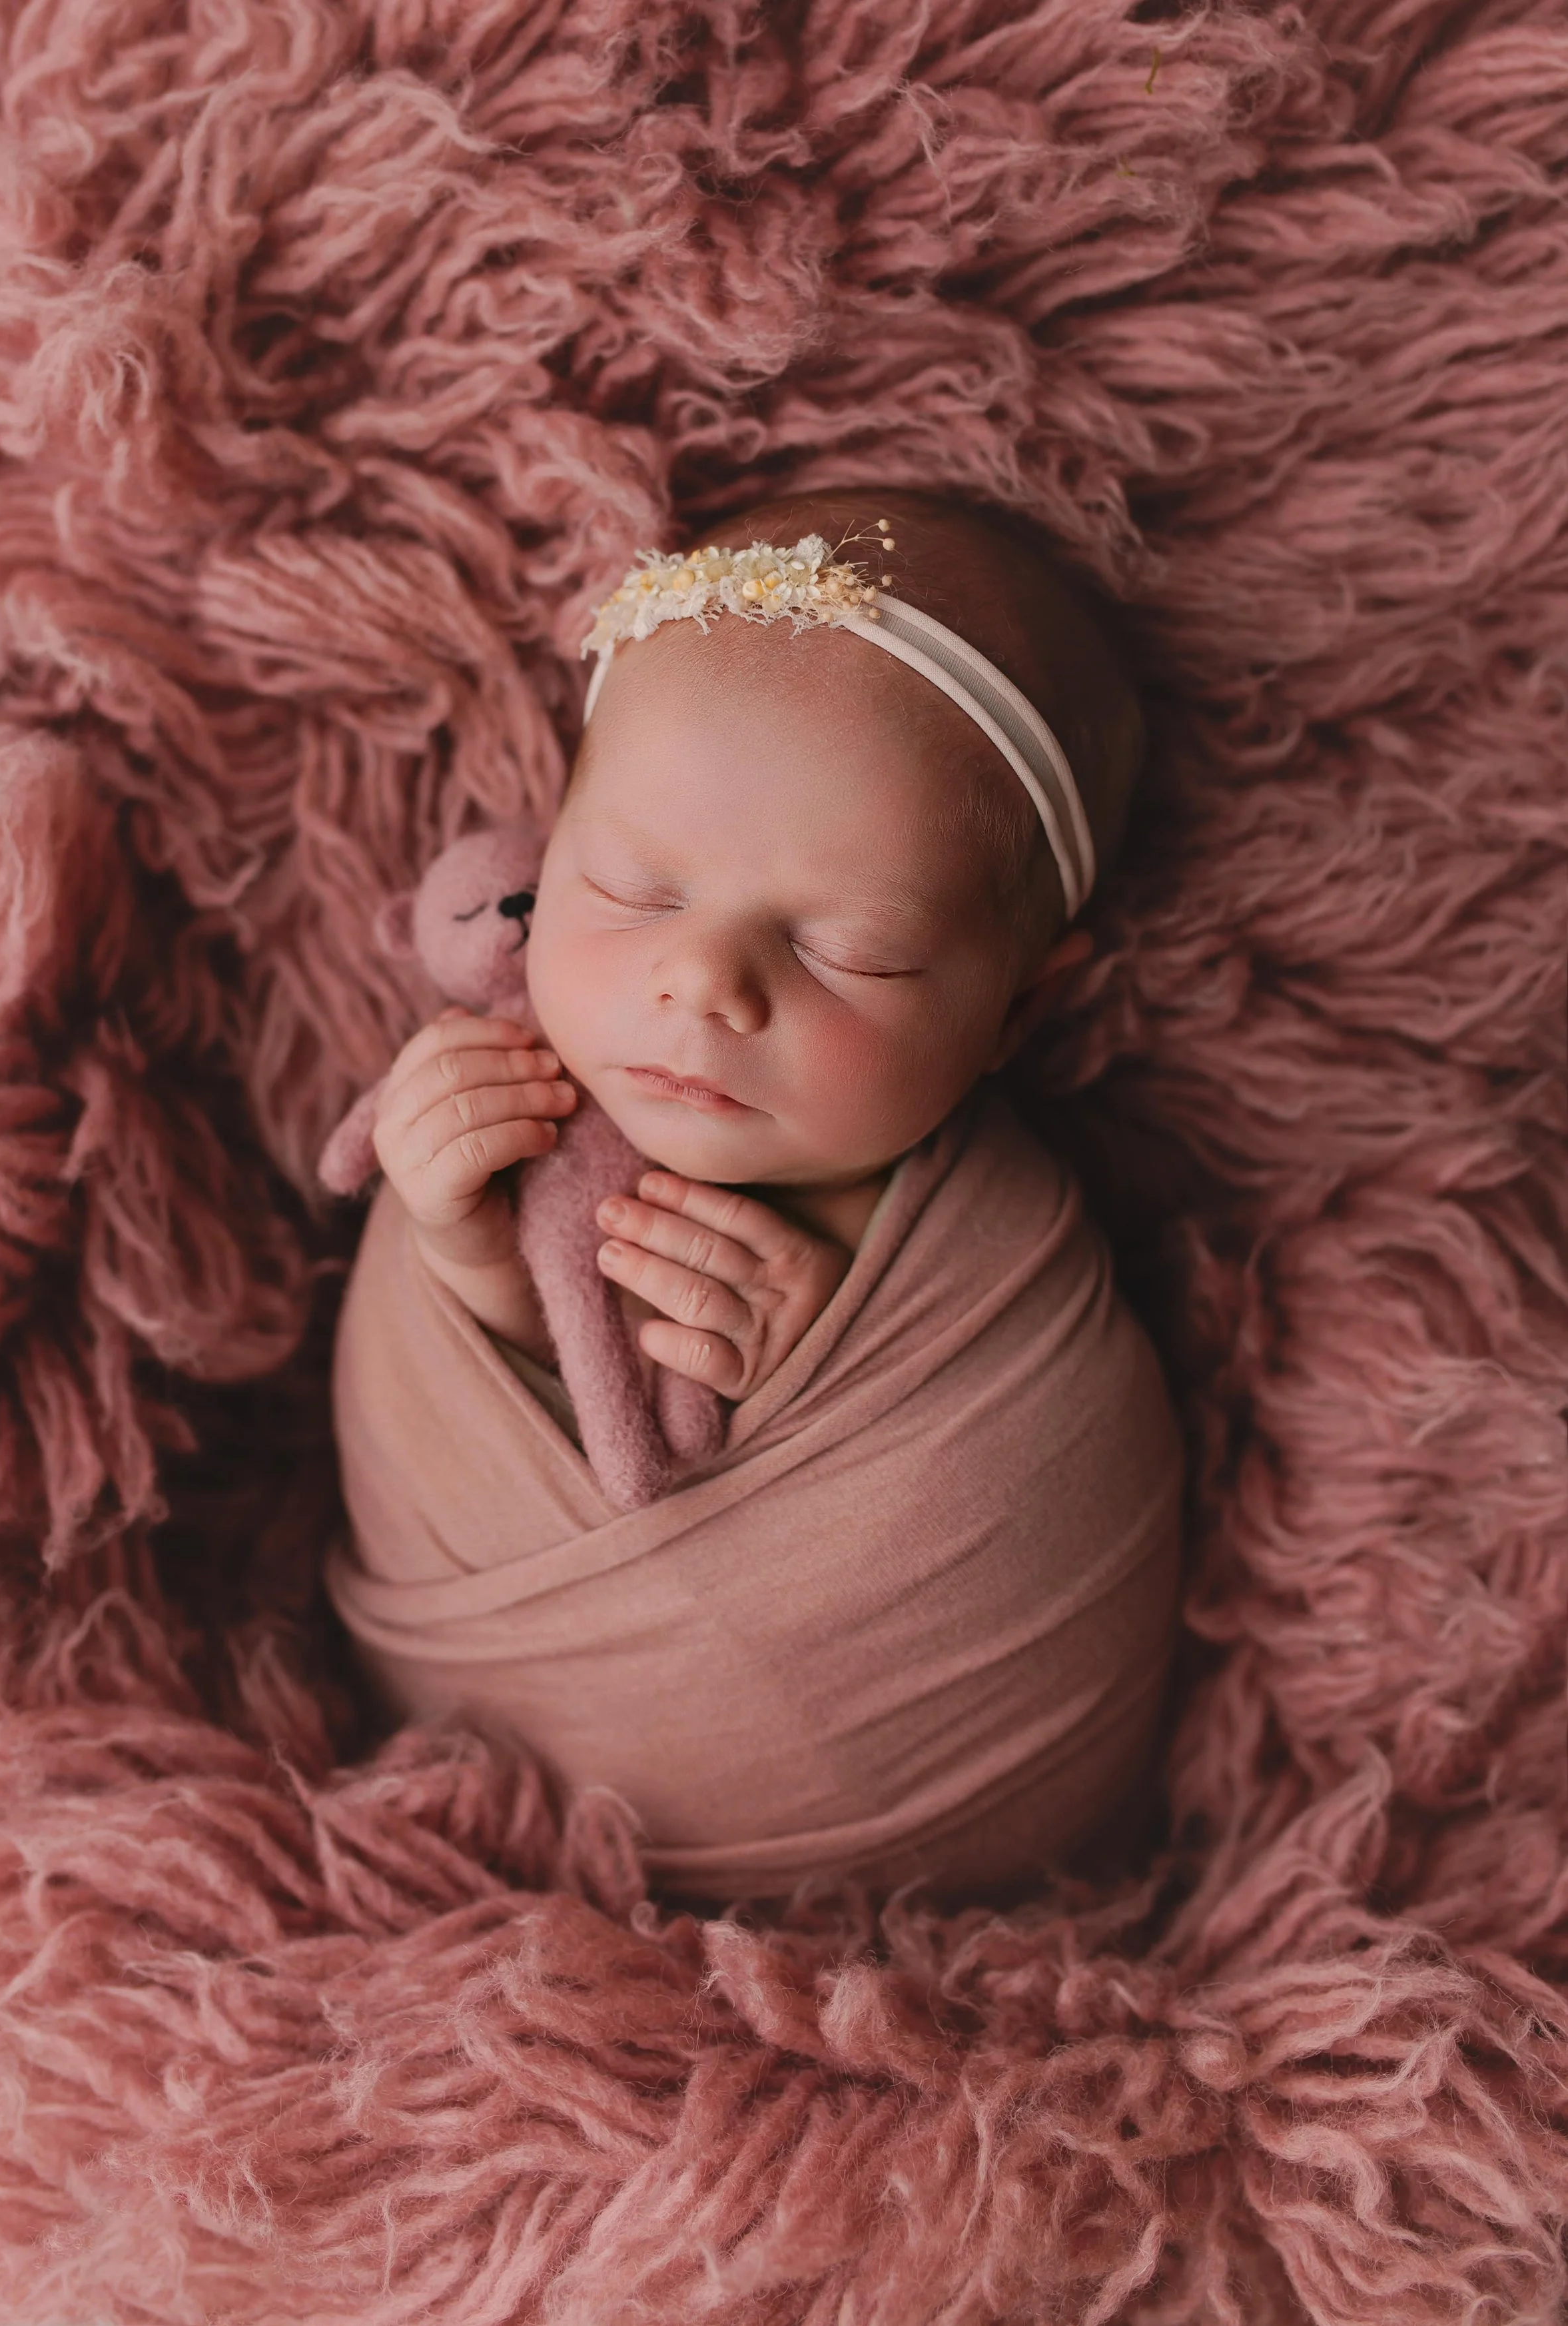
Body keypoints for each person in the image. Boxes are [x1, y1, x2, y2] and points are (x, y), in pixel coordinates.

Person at [323, 487, 1184, 1910]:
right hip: (474, 1824)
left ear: (1018, 1005)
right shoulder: (526, 1095)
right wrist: (456, 1238)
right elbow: (507, 1374)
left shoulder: (989, 1266)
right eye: (632, 890)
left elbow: (1031, 1489)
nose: (704, 983)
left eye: (847, 948)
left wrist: (812, 1349)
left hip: (936, 1883)